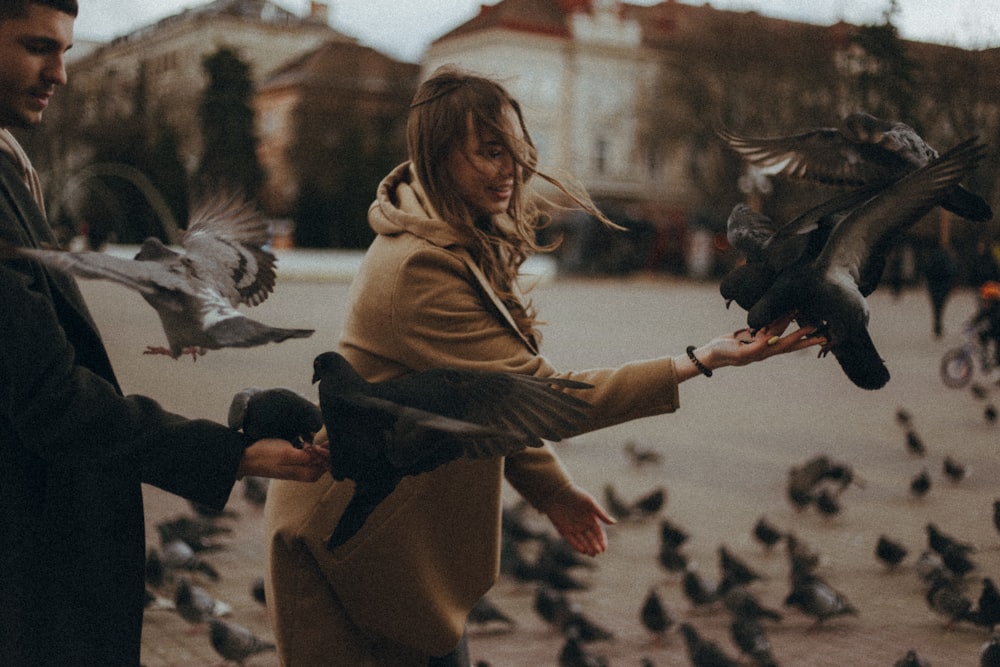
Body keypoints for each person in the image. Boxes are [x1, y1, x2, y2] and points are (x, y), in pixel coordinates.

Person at [263, 66, 821, 666]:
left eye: (516, 149)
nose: (512, 167)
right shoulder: (418, 269)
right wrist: (696, 360)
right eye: (490, 152)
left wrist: (551, 492)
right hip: (348, 553)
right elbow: (538, 397)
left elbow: (485, 400)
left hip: (398, 552)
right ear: (438, 155)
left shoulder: (456, 236)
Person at [0, 2, 329, 664]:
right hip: (27, 568)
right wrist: (232, 454)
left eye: (64, 50)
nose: (60, 73)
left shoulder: (9, 164)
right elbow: (50, 399)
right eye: (38, 47)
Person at [972, 280, 1000, 367]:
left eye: (987, 300)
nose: (984, 302)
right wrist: (972, 323)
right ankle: (985, 357)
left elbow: (994, 322)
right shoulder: (989, 307)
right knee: (983, 336)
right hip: (995, 330)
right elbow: (981, 315)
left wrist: (985, 326)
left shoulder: (997, 309)